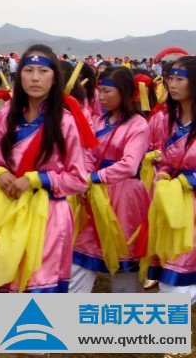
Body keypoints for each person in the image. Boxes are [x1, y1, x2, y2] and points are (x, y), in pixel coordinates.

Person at [0, 44, 88, 298]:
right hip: (8, 209)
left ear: (55, 78)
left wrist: (34, 180)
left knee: (37, 291)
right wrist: (0, 174)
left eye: (43, 71)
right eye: (28, 70)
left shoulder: (65, 122)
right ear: (19, 75)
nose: (35, 78)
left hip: (47, 216)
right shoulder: (7, 115)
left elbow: (78, 179)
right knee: (10, 285)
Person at [71, 66, 150, 293]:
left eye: (107, 91)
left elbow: (129, 164)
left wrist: (95, 177)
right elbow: (89, 153)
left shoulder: (138, 124)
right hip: (94, 193)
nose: (101, 97)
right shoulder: (99, 121)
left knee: (125, 257)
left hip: (125, 196)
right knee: (82, 252)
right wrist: (85, 176)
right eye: (100, 91)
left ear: (123, 92)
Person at [145, 56, 196, 303]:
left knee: (175, 280)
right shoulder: (167, 118)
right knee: (170, 267)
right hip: (171, 202)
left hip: (192, 203)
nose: (172, 85)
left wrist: (187, 181)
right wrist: (163, 170)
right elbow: (166, 157)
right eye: (170, 79)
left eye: (180, 79)